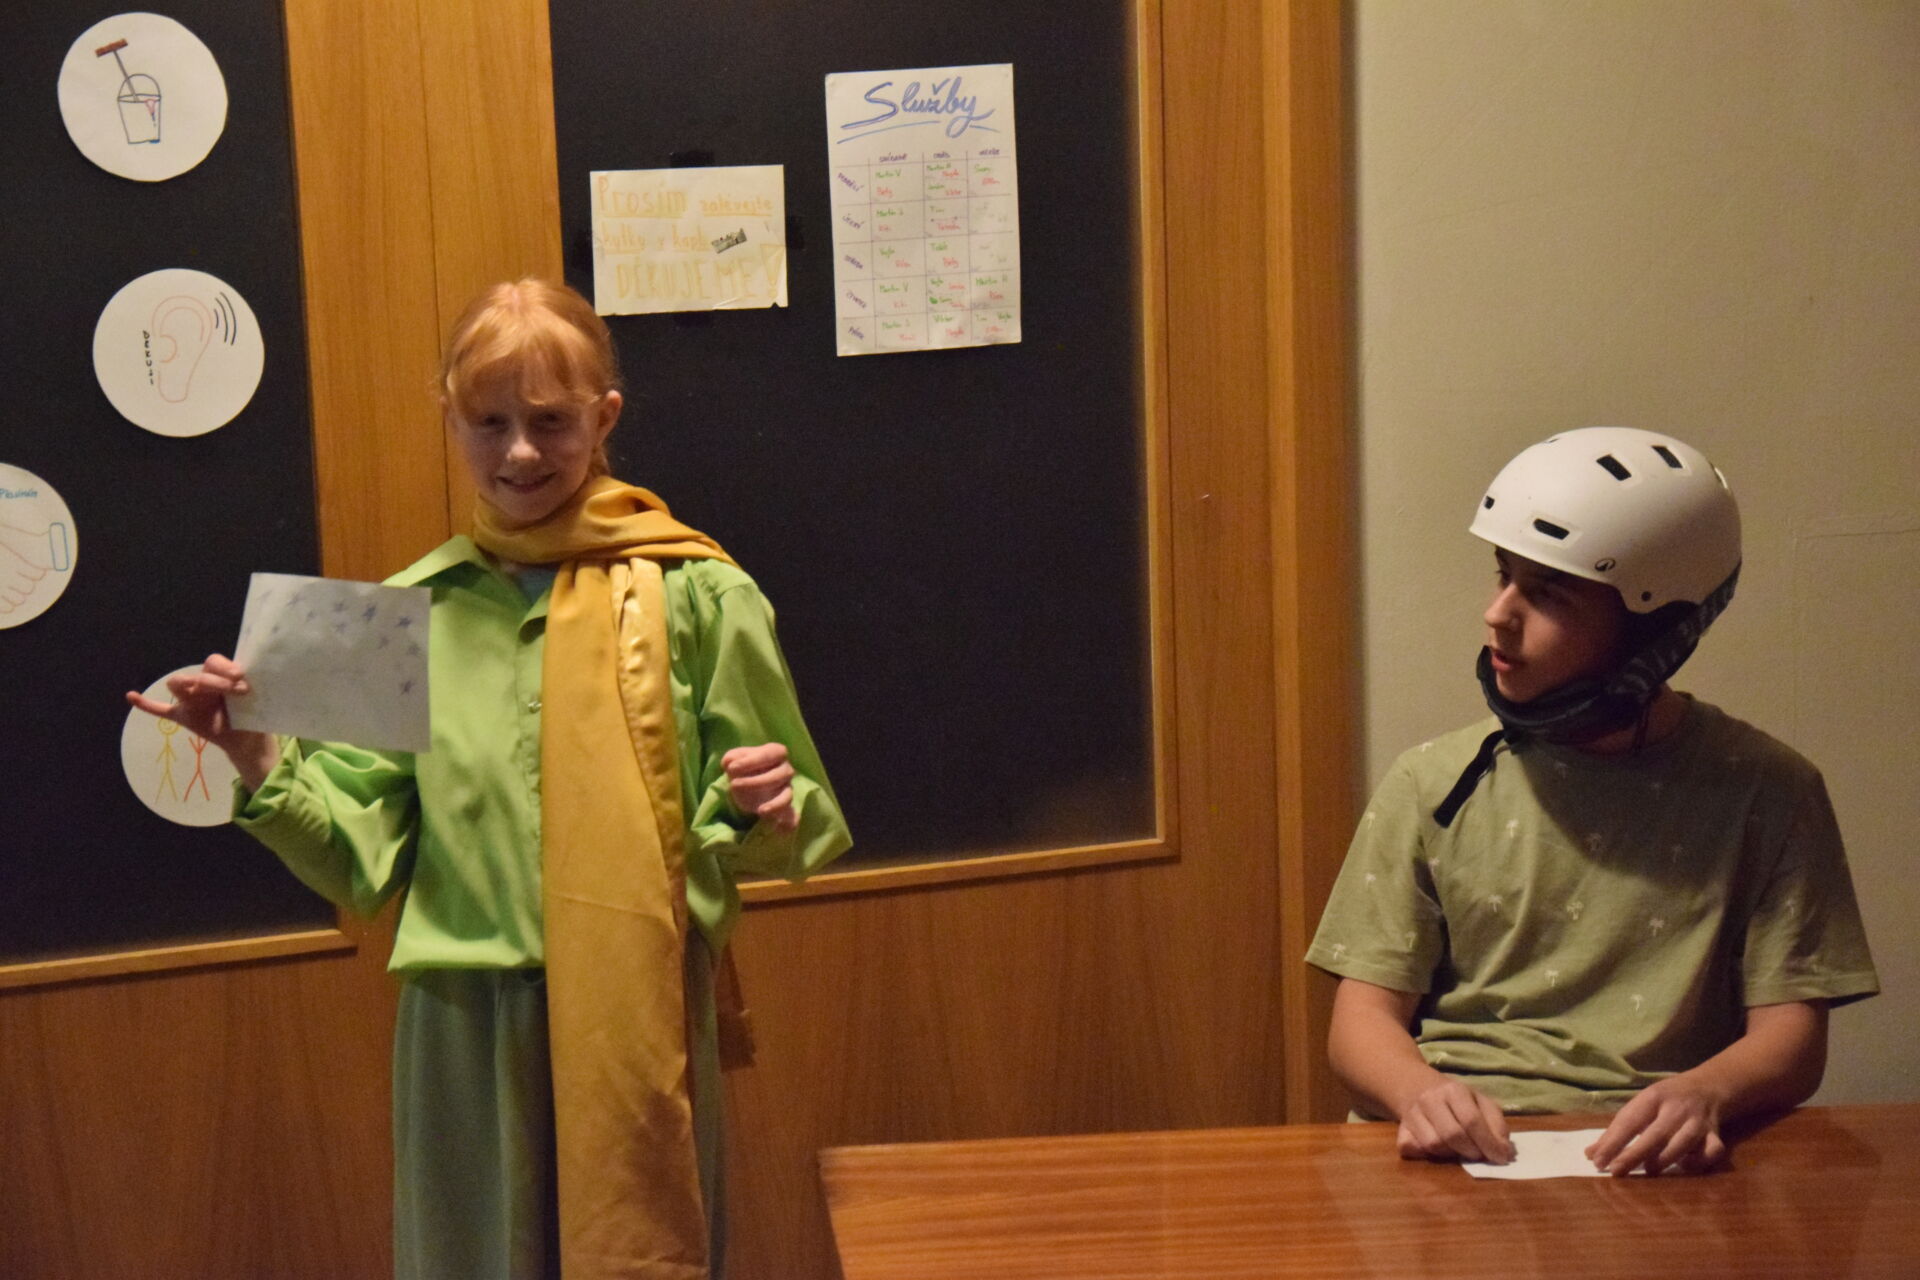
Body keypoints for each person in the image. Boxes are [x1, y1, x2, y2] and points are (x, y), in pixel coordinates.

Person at [127, 278, 850, 1278]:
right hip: (464, 1036)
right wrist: (257, 762)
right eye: (489, 422)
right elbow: (359, 862)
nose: (518, 452)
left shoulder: (699, 596)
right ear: (450, 418)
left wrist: (767, 806)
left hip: (638, 1018)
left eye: (550, 421)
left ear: (604, 418)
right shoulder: (408, 615)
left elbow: (784, 817)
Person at [1307, 427, 1877, 1176]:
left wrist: (1707, 1092)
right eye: (1503, 575)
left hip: (1657, 1151)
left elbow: (1793, 1038)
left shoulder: (1771, 791)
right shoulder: (1432, 782)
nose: (1499, 614)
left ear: (1654, 630)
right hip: (1454, 1147)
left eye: (1548, 593)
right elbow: (1360, 1021)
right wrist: (1419, 1093)